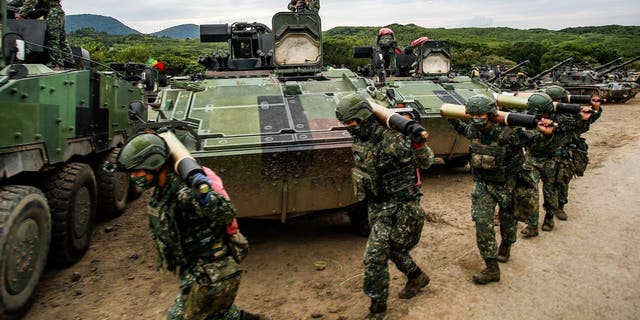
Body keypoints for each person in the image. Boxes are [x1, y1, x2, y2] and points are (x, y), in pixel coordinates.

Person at [116, 132, 269, 320]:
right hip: (197, 273)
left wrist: (205, 196)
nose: (134, 177)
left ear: (154, 166)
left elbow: (226, 212)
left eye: (137, 171)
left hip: (214, 276)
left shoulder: (185, 193)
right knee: (222, 315)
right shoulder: (163, 190)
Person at [335, 93, 433, 320]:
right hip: (376, 203)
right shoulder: (363, 135)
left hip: (399, 205)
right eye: (345, 124)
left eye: (351, 123)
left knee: (374, 256)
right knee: (392, 249)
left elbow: (427, 161)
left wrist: (418, 144)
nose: (348, 128)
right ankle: (417, 277)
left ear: (363, 118)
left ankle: (377, 309)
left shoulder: (392, 139)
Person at [448, 94, 555, 284]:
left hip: (508, 185)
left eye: (480, 115)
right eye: (472, 115)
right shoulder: (473, 130)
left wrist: (547, 133)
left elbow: (536, 142)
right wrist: (448, 114)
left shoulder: (509, 133)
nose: (476, 119)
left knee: (508, 222)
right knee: (482, 223)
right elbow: (461, 126)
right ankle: (491, 267)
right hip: (483, 186)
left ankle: (506, 245)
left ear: (490, 114)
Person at [544, 86, 602, 222]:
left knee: (563, 181)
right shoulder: (546, 114)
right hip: (550, 153)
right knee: (550, 185)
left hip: (567, 152)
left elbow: (587, 121)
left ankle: (560, 206)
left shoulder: (572, 114)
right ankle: (549, 214)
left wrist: (595, 109)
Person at [9, 0, 74, 67]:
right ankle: (69, 61)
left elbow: (31, 1)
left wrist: (22, 15)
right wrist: (7, 4)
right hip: (57, 12)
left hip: (52, 13)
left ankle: (56, 63)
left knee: (52, 38)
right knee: (61, 39)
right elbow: (20, 1)